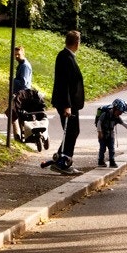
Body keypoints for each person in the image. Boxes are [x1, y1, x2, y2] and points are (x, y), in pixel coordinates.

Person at [42, 29, 85, 174]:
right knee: (71, 131)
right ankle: (64, 162)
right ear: (77, 43)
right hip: (67, 103)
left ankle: (61, 158)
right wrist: (67, 105)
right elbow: (63, 83)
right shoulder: (65, 57)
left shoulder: (67, 56)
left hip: (71, 103)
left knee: (72, 131)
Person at [93, 98, 127, 168]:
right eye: (120, 111)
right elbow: (99, 123)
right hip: (103, 134)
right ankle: (100, 161)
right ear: (115, 108)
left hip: (111, 135)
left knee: (112, 149)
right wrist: (99, 133)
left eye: (121, 112)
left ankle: (112, 161)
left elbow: (124, 124)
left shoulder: (117, 117)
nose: (120, 113)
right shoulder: (105, 114)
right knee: (102, 149)